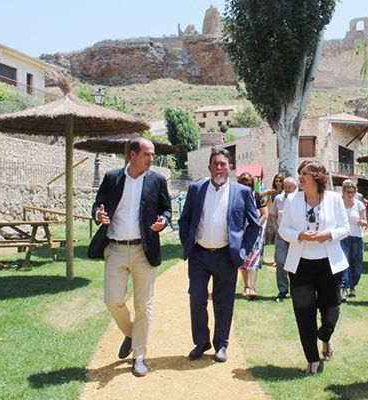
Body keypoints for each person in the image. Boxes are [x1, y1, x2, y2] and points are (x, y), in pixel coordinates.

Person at [88, 137, 172, 377]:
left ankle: (140, 356)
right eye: (147, 154)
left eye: (153, 154)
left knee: (143, 305)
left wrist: (164, 220)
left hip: (145, 250)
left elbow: (166, 209)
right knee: (112, 300)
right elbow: (97, 205)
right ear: (132, 154)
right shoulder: (112, 177)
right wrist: (98, 215)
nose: (151, 158)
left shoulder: (157, 180)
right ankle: (131, 333)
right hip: (115, 248)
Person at [179, 147, 261, 363]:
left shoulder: (242, 192)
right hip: (199, 255)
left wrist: (243, 249)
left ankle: (221, 344)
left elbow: (254, 224)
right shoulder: (196, 189)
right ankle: (201, 342)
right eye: (215, 163)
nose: (219, 167)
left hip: (226, 255)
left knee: (223, 301)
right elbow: (184, 219)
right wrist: (187, 242)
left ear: (230, 168)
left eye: (223, 164)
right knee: (197, 296)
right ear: (209, 167)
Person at [279, 160, 350, 375]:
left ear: (317, 177)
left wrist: (329, 234)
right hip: (300, 265)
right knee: (304, 312)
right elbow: (283, 230)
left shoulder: (334, 199)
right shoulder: (291, 200)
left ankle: (325, 337)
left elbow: (345, 228)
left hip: (329, 264)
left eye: (305, 174)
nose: (300, 177)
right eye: (299, 173)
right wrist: (300, 235)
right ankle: (312, 358)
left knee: (331, 310)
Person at [237, 172, 268, 299]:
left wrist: (255, 227)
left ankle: (252, 287)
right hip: (240, 233)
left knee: (254, 259)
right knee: (242, 259)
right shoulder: (235, 196)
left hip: (256, 233)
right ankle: (246, 286)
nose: (246, 187)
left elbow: (265, 214)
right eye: (244, 184)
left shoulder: (257, 196)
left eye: (249, 185)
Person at [270, 176, 298, 301]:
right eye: (285, 187)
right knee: (280, 262)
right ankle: (283, 289)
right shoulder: (278, 198)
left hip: (296, 236)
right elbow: (273, 214)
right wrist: (276, 228)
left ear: (295, 188)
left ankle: (296, 289)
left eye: (289, 187)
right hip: (281, 235)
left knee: (295, 263)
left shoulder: (300, 199)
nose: (286, 189)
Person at [339, 179, 367, 302]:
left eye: (352, 192)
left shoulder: (359, 205)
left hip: (357, 237)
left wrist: (362, 222)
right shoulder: (339, 204)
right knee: (344, 262)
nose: (350, 194)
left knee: (356, 264)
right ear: (343, 192)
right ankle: (344, 288)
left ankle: (353, 286)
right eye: (348, 192)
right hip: (343, 237)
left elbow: (365, 222)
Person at [263, 173, 285, 247]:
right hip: (272, 214)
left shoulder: (285, 192)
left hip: (281, 215)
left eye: (280, 181)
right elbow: (258, 194)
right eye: (276, 181)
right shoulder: (271, 190)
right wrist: (268, 192)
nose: (278, 183)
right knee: (270, 232)